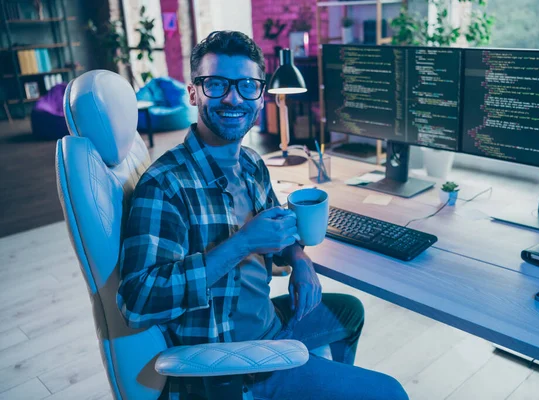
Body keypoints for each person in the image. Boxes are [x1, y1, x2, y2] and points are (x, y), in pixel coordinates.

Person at [117, 30, 408, 400]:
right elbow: (137, 302)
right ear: (193, 93)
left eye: (247, 86)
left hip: (269, 324)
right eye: (216, 84)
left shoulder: (252, 164)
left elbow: (276, 223)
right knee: (389, 393)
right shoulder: (165, 184)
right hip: (236, 361)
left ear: (260, 95)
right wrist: (242, 244)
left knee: (349, 311)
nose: (233, 97)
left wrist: (298, 258)